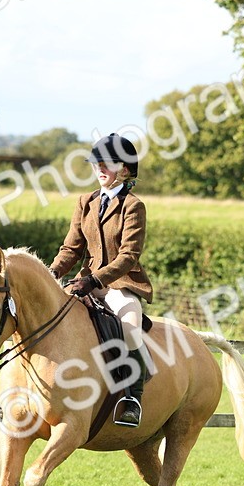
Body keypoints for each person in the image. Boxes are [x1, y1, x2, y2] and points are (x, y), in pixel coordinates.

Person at [49, 133, 154, 428]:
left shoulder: (133, 206)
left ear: (125, 170)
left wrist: (96, 279)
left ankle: (133, 398)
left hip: (120, 284)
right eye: (96, 163)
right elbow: (71, 248)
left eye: (106, 163)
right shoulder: (86, 202)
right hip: (85, 282)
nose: (99, 168)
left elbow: (128, 256)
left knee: (131, 328)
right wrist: (53, 274)